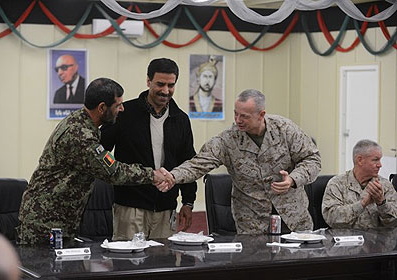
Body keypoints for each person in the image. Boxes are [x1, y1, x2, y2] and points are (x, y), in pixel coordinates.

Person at [17, 78, 173, 245]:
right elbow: (112, 172)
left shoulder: (84, 123)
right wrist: (152, 175)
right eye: (118, 105)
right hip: (45, 223)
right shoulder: (80, 135)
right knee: (47, 269)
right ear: (102, 108)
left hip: (58, 220)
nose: (122, 108)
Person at [171, 89, 321, 234]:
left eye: (244, 116)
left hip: (293, 218)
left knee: (299, 259)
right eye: (235, 114)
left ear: (261, 115)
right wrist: (172, 177)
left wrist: (293, 179)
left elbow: (312, 159)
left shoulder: (285, 130)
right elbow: (198, 164)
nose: (238, 120)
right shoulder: (228, 140)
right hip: (253, 224)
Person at [100, 58, 197, 240]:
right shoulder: (124, 113)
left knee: (163, 264)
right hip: (130, 207)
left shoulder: (181, 119)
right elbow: (100, 152)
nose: (165, 91)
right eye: (160, 84)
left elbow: (188, 162)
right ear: (148, 81)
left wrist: (188, 202)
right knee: (129, 265)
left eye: (171, 85)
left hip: (166, 208)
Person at [322, 139, 397, 229]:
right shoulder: (337, 184)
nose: (380, 165)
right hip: (346, 241)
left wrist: (382, 203)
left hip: (377, 241)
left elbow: (393, 223)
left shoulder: (384, 185)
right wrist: (362, 204)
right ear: (360, 160)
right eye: (375, 160)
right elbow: (331, 219)